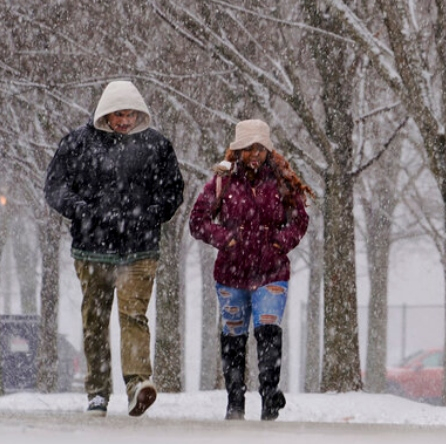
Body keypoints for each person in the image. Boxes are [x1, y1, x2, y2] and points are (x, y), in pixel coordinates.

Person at [44, 80, 184, 417]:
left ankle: (138, 383)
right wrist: (82, 210)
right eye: (118, 114)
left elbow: (173, 190)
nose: (124, 121)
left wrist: (150, 216)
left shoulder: (156, 146)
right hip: (92, 250)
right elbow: (55, 187)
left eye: (130, 114)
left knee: (134, 315)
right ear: (105, 113)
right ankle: (97, 390)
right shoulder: (77, 144)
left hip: (140, 249)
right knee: (95, 319)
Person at [189, 119, 312, 421]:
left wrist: (279, 244)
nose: (253, 154)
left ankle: (269, 395)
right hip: (231, 274)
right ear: (237, 151)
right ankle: (235, 401)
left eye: (259, 148)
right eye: (247, 149)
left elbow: (300, 220)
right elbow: (197, 221)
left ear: (267, 150)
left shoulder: (283, 181)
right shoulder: (222, 182)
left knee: (268, 330)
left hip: (271, 272)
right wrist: (226, 239)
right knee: (234, 336)